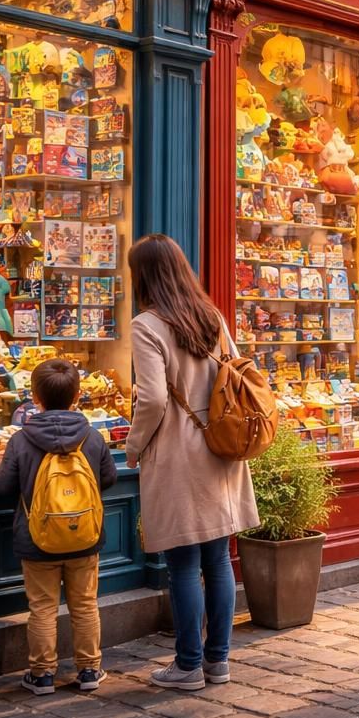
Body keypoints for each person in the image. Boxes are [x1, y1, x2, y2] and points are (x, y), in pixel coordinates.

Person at [125, 234, 259, 689]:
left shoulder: (146, 325)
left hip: (179, 453)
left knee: (182, 563)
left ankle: (186, 665)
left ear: (142, 275)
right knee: (218, 558)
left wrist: (133, 446)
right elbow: (236, 375)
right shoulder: (213, 317)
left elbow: (153, 399)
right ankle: (217, 662)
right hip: (220, 447)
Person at [0, 359, 118, 694]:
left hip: (37, 539)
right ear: (78, 395)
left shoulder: (20, 440)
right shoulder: (92, 437)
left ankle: (42, 674)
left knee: (43, 607)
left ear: (34, 396)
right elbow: (108, 478)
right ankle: (89, 670)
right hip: (85, 537)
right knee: (85, 604)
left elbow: (3, 488)